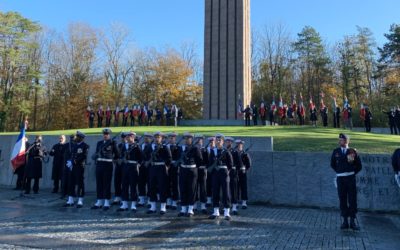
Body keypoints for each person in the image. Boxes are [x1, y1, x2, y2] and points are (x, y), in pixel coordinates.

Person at [330, 133, 362, 230]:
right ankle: (345, 221)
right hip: (340, 179)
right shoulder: (336, 151)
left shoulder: (352, 151)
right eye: (339, 140)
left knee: (352, 200)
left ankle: (352, 221)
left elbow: (359, 166)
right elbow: (332, 164)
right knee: (342, 199)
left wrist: (351, 172)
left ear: (347, 141)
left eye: (341, 140)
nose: (339, 141)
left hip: (350, 178)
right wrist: (340, 171)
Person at [91, 128, 120, 210]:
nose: (105, 135)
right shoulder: (99, 143)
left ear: (109, 135)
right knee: (99, 183)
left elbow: (117, 154)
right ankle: (99, 201)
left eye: (107, 134)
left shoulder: (113, 142)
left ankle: (107, 202)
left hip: (108, 164)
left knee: (107, 183)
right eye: (104, 134)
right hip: (99, 164)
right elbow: (97, 153)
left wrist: (114, 145)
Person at [209, 134, 233, 220]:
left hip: (224, 172)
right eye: (217, 140)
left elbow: (230, 164)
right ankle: (216, 211)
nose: (218, 142)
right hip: (215, 173)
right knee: (215, 191)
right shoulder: (213, 151)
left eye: (220, 140)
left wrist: (226, 172)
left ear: (223, 142)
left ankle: (227, 212)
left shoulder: (226, 151)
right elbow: (210, 162)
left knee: (226, 192)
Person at [146, 132, 172, 214]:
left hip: (161, 168)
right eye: (156, 137)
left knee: (162, 187)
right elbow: (145, 155)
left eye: (159, 137)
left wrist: (166, 167)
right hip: (153, 168)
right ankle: (153, 207)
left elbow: (169, 158)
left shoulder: (164, 147)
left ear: (161, 138)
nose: (157, 139)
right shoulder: (150, 147)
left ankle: (163, 207)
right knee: (152, 187)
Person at [178, 132, 202, 217]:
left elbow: (199, 160)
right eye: (185, 138)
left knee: (192, 189)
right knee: (183, 188)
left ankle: (191, 209)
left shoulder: (195, 148)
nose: (187, 140)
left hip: (192, 170)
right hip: (183, 169)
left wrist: (193, 167)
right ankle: (183, 208)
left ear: (192, 139)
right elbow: (178, 158)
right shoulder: (181, 148)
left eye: (188, 138)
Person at [118, 131, 143, 212]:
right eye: (127, 137)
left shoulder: (137, 146)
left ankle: (133, 204)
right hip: (125, 167)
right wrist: (122, 159)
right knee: (124, 185)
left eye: (130, 136)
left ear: (133, 137)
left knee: (133, 186)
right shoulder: (124, 146)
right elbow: (120, 155)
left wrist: (138, 165)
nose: (128, 138)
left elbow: (141, 157)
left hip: (133, 167)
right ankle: (124, 204)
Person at [64, 131, 89, 208]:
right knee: (71, 182)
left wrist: (75, 161)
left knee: (80, 183)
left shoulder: (85, 146)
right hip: (73, 166)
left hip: (79, 166)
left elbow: (84, 156)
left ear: (81, 138)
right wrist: (71, 161)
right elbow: (72, 155)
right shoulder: (74, 145)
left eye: (77, 137)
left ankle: (80, 200)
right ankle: (70, 199)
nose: (75, 138)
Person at [166, 132, 181, 210]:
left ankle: (175, 201)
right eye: (170, 138)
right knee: (167, 184)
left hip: (175, 167)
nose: (171, 139)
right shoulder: (165, 147)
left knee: (175, 184)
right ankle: (168, 200)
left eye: (173, 138)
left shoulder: (178, 147)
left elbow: (180, 157)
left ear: (175, 139)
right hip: (167, 167)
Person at [235, 140, 251, 209]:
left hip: (242, 172)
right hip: (236, 172)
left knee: (243, 187)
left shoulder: (245, 154)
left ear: (242, 145)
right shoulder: (234, 153)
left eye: (240, 144)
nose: (239, 146)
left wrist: (245, 169)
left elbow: (249, 164)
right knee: (236, 187)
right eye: (238, 144)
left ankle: (244, 202)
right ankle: (237, 201)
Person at [138, 132, 153, 207]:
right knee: (141, 182)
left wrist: (148, 162)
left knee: (150, 183)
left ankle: (150, 199)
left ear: (150, 138)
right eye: (145, 137)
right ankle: (141, 199)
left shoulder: (152, 146)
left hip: (150, 166)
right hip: (142, 166)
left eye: (148, 138)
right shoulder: (141, 146)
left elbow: (153, 156)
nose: (146, 139)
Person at [194, 134, 208, 214]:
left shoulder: (204, 150)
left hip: (202, 170)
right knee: (194, 188)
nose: (199, 141)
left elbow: (207, 161)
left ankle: (203, 206)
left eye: (200, 140)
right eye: (197, 139)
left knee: (203, 189)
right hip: (195, 170)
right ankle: (195, 205)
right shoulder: (194, 149)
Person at [225, 137, 239, 215]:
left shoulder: (235, 152)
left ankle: (234, 206)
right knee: (226, 191)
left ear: (232, 143)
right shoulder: (224, 151)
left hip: (233, 172)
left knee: (233, 190)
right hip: (225, 172)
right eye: (227, 142)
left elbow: (239, 163)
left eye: (229, 142)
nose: (228, 143)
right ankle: (226, 206)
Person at [112, 133, 127, 205]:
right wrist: (115, 160)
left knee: (124, 182)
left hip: (125, 165)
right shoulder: (119, 145)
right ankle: (117, 196)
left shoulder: (129, 146)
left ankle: (124, 197)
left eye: (124, 137)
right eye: (122, 137)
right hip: (118, 165)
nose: (123, 139)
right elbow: (115, 155)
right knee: (117, 181)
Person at [206, 137, 216, 207]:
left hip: (215, 170)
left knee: (215, 185)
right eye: (210, 141)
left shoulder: (217, 150)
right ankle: (209, 200)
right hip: (208, 170)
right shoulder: (206, 149)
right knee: (208, 185)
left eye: (212, 141)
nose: (211, 142)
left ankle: (215, 200)